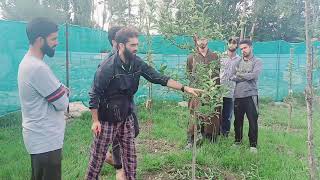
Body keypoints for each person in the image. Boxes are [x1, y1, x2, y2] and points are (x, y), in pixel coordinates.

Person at [86, 27, 203, 180]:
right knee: (98, 157)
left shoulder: (136, 63)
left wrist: (184, 87)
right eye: (132, 45)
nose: (136, 48)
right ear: (121, 46)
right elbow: (94, 93)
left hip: (126, 115)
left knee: (130, 156)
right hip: (107, 118)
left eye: (137, 45)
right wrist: (95, 121)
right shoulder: (107, 68)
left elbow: (158, 77)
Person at [17, 17, 69, 180]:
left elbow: (57, 91)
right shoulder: (37, 68)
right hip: (45, 141)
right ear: (40, 40)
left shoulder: (28, 62)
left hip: (39, 140)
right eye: (53, 39)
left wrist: (60, 90)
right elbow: (62, 103)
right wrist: (63, 91)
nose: (56, 42)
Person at [101, 26, 140, 180]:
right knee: (119, 144)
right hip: (116, 113)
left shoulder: (128, 59)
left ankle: (117, 162)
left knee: (129, 138)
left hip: (127, 108)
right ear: (116, 42)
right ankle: (118, 166)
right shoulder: (109, 63)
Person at [185, 36, 220, 149]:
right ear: (196, 41)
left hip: (211, 91)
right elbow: (189, 74)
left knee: (212, 115)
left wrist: (215, 91)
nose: (202, 42)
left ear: (208, 40)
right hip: (196, 92)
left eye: (204, 39)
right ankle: (191, 140)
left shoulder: (215, 56)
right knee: (194, 115)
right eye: (200, 40)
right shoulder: (192, 57)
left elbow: (217, 74)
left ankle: (211, 139)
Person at [230, 39, 263, 153]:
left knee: (252, 120)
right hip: (238, 95)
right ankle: (237, 141)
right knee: (237, 120)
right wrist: (245, 75)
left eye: (245, 48)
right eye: (241, 49)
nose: (243, 50)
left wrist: (240, 75)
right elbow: (231, 76)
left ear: (250, 47)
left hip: (251, 95)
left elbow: (254, 75)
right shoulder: (237, 61)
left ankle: (253, 145)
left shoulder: (257, 61)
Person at [219, 37, 241, 137]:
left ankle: (225, 133)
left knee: (227, 113)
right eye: (230, 43)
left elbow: (241, 74)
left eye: (234, 43)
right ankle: (216, 130)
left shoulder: (239, 59)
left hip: (231, 90)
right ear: (227, 44)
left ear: (237, 45)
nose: (232, 45)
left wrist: (234, 77)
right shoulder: (221, 56)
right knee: (217, 110)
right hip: (218, 89)